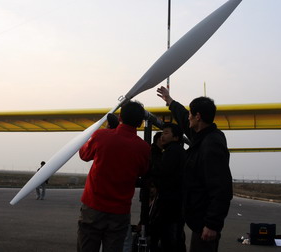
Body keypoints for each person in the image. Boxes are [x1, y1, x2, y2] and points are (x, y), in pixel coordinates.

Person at [156, 86, 233, 252]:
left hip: (205, 224)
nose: (188, 116)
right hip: (198, 219)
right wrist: (170, 101)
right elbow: (184, 119)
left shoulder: (211, 144)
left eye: (191, 113)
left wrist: (212, 224)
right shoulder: (202, 136)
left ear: (198, 117)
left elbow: (221, 187)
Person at [77, 101, 150, 252]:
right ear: (141, 122)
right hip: (120, 212)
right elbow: (142, 171)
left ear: (120, 116)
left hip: (93, 206)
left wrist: (105, 131)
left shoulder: (101, 136)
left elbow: (84, 154)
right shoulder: (143, 148)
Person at [150, 123, 186, 252]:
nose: (162, 137)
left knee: (168, 238)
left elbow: (164, 173)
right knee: (176, 236)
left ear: (176, 137)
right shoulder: (179, 151)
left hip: (170, 203)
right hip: (177, 203)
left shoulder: (172, 151)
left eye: (166, 133)